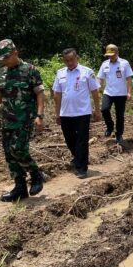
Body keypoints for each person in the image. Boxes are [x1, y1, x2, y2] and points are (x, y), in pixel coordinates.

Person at [0, 39, 46, 202]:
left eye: (6, 58)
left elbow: (39, 93)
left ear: (15, 53)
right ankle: (20, 188)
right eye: (1, 59)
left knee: (19, 149)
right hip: (8, 119)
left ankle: (36, 175)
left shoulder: (30, 70)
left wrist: (40, 116)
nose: (4, 61)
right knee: (9, 154)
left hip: (25, 118)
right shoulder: (3, 72)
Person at [52, 48, 101, 179]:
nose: (69, 63)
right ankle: (77, 158)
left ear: (76, 58)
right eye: (66, 61)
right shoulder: (60, 73)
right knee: (69, 140)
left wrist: (97, 110)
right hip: (66, 113)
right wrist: (57, 114)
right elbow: (57, 94)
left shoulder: (87, 72)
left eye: (71, 60)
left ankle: (82, 168)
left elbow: (95, 92)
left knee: (82, 140)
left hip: (82, 112)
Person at [97, 44, 133, 145]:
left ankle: (119, 134)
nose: (110, 57)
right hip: (108, 92)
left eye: (112, 54)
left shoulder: (124, 63)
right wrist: (97, 87)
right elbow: (100, 78)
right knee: (104, 109)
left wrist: (129, 92)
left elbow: (129, 79)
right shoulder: (104, 64)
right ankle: (110, 126)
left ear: (117, 53)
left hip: (121, 94)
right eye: (109, 55)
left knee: (120, 115)